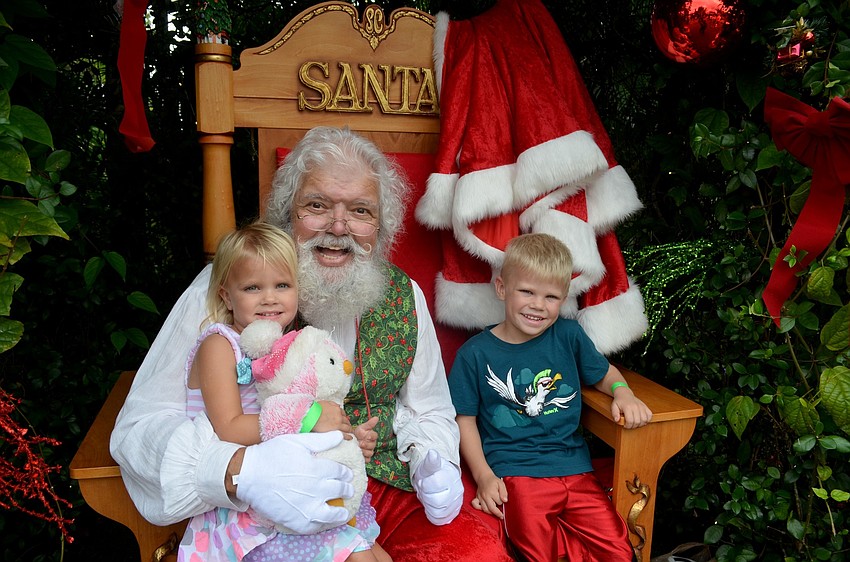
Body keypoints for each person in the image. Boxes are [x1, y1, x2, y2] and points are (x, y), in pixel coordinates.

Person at [110, 127, 514, 561]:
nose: (339, 227)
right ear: (288, 212)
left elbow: (430, 406)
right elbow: (140, 428)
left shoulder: (404, 295)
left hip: (377, 486)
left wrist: (434, 460)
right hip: (262, 502)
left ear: (381, 227)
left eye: (360, 211)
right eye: (317, 205)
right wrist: (238, 471)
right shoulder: (227, 290)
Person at [175, 222, 389, 562]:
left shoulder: (286, 346)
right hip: (250, 499)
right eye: (252, 287)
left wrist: (342, 438)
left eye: (282, 285)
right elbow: (228, 428)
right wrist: (310, 419)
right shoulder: (219, 345)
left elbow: (306, 413)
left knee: (379, 556)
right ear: (226, 295)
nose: (270, 298)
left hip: (294, 479)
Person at [448, 233, 653, 562]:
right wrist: (484, 476)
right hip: (518, 473)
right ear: (502, 288)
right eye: (526, 291)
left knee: (619, 551)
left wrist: (623, 393)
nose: (538, 305)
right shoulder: (475, 353)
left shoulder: (569, 335)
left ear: (563, 298)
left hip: (574, 468)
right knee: (538, 550)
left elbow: (605, 374)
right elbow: (464, 420)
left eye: (551, 296)